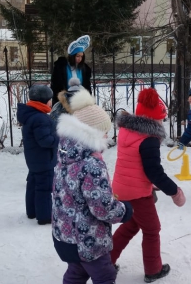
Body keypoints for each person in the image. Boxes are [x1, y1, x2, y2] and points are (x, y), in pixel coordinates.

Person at [52, 88, 133, 284]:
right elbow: (101, 206)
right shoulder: (91, 164)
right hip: (88, 239)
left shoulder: (66, 156)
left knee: (77, 273)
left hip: (66, 235)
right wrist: (124, 211)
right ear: (92, 133)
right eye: (104, 132)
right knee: (105, 276)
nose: (107, 136)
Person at [111, 87, 186, 283]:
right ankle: (153, 270)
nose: (162, 122)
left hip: (122, 187)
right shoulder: (149, 139)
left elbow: (135, 165)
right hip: (137, 194)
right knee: (152, 229)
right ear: (153, 119)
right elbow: (154, 171)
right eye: (160, 119)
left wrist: (149, 184)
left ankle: (106, 262)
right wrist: (174, 191)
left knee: (130, 226)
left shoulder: (127, 130)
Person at [16, 84, 59, 225]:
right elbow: (45, 141)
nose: (51, 102)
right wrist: (58, 137)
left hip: (34, 159)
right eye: (50, 99)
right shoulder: (41, 118)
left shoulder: (31, 115)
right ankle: (45, 216)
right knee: (44, 188)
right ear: (44, 101)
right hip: (44, 159)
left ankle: (32, 211)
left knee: (33, 184)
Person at [51, 35, 92, 105]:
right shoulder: (61, 67)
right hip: (64, 101)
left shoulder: (84, 69)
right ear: (72, 56)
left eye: (81, 56)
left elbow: (87, 86)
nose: (80, 59)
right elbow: (56, 86)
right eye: (77, 56)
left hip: (80, 100)